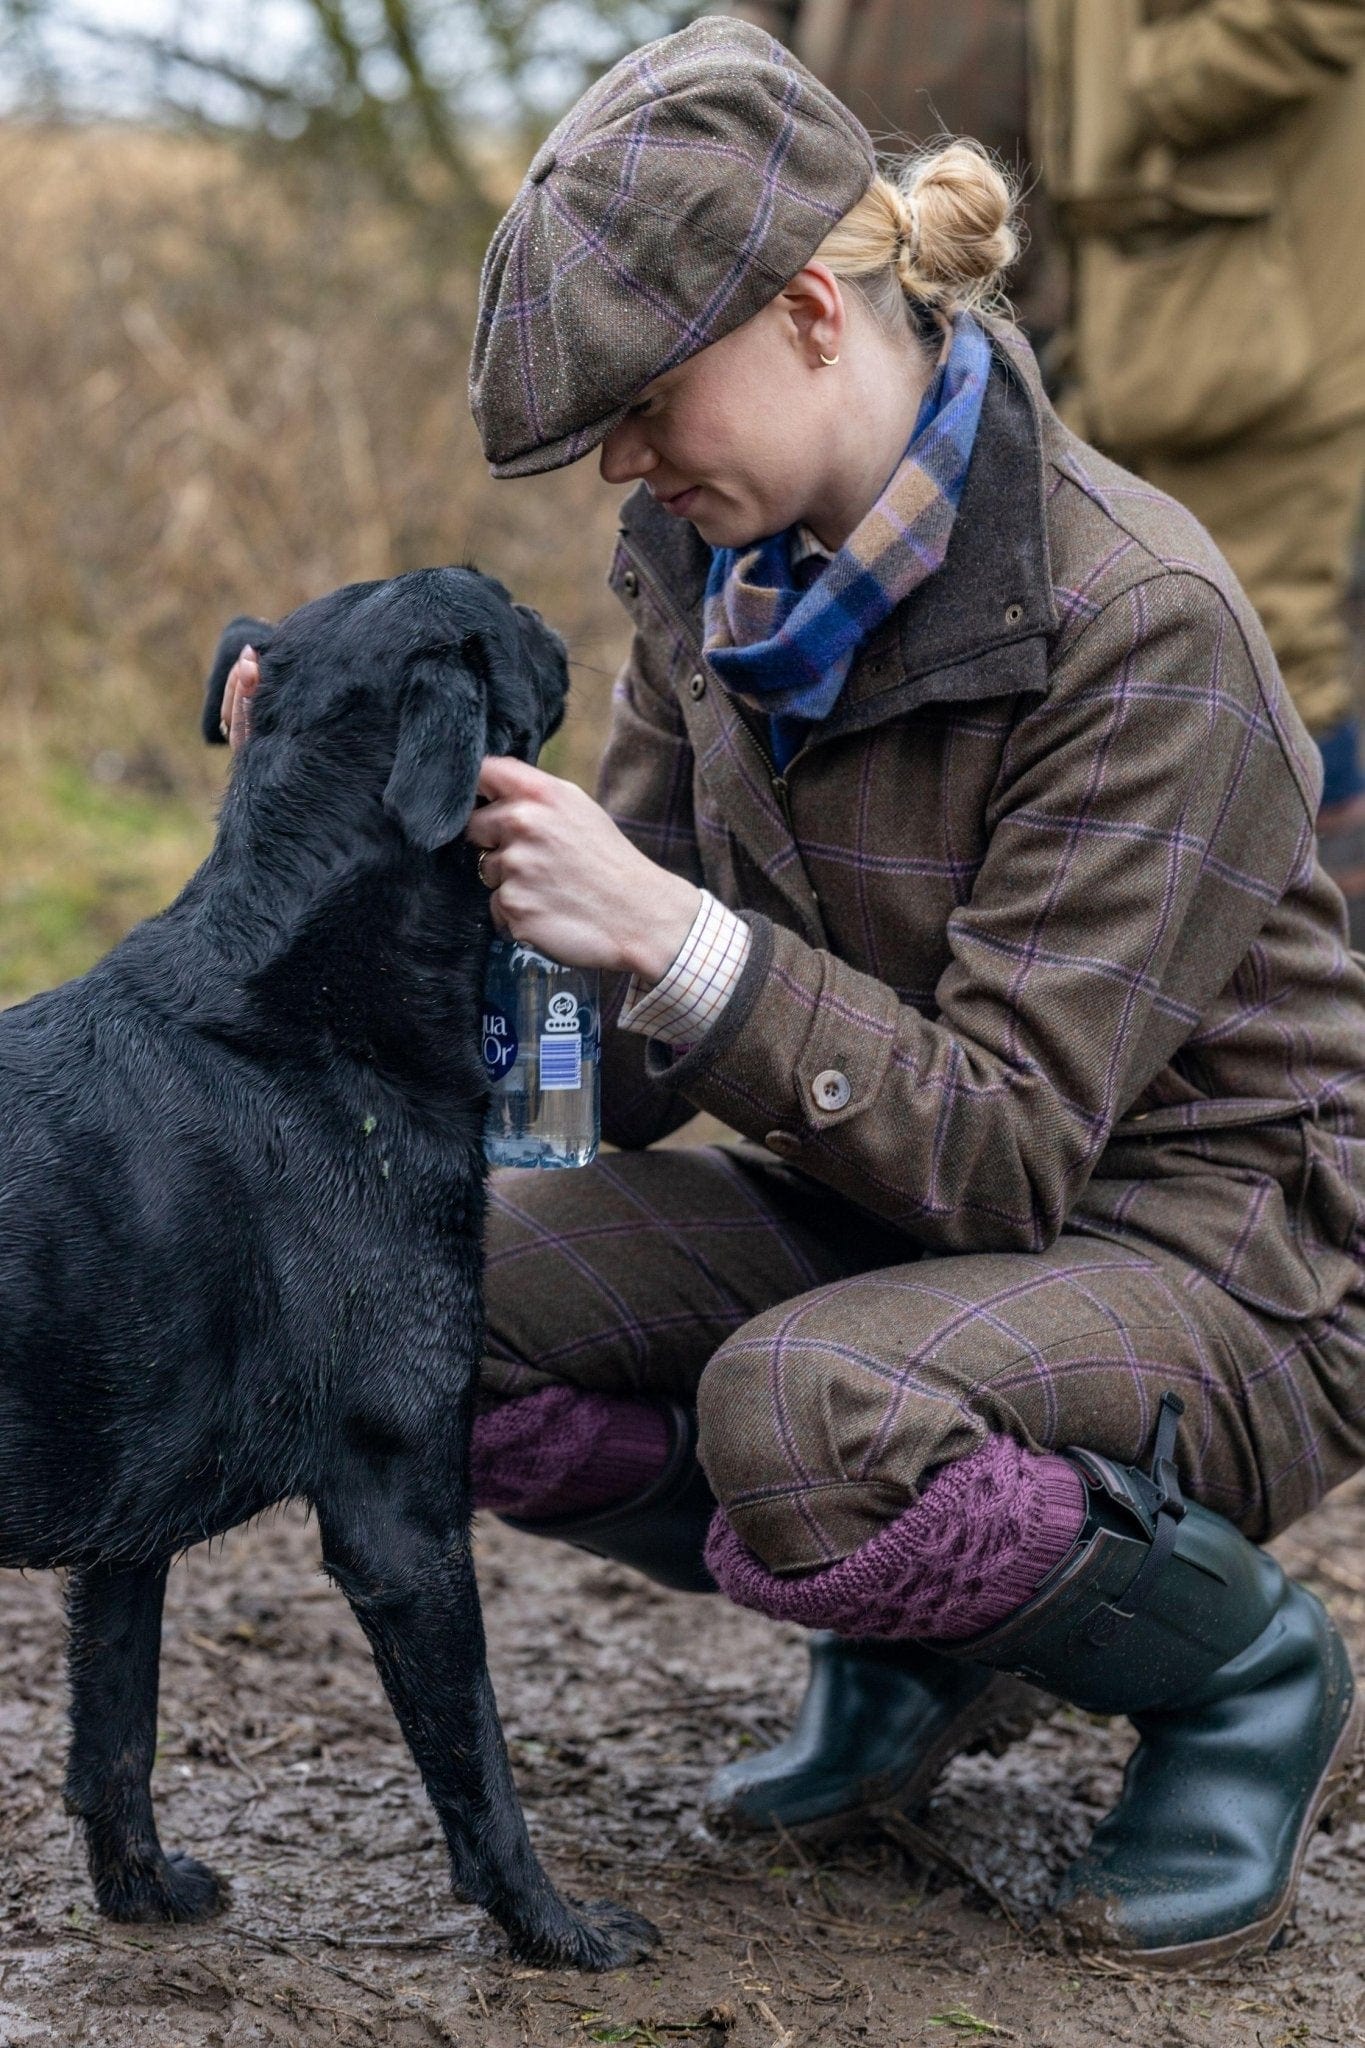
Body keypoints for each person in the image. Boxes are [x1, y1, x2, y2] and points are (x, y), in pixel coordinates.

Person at [222, 19, 1365, 1966]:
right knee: (417, 1291)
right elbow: (624, 1092)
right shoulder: (707, 568)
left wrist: (668, 931)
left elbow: (1001, 1151)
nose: (622, 459)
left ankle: (1239, 1681)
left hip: (1221, 1254)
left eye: (647, 398)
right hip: (882, 1211)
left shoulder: (1134, 624)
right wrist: (442, 887)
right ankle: (925, 1640)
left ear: (813, 311)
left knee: (805, 1413)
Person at [1027, 0, 1365, 934]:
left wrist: (1148, 91)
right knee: (1152, 644)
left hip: (1263, 314)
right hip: (1151, 307)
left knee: (1272, 660)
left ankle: (1317, 1004)